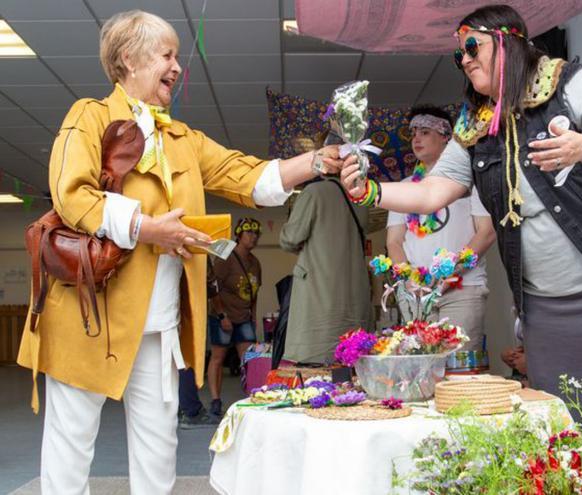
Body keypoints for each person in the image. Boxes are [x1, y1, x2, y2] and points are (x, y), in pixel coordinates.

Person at [17, 10, 354, 494]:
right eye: (167, 54)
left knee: (159, 450)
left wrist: (316, 161)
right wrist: (148, 228)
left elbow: (247, 176)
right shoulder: (88, 116)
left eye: (177, 55)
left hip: (158, 326)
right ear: (129, 59)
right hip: (88, 315)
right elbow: (71, 195)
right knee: (70, 447)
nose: (177, 67)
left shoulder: (182, 139)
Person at [343, 5, 582, 407]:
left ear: (506, 41)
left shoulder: (573, 83)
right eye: (458, 55)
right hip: (545, 304)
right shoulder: (476, 123)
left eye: (471, 47)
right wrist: (369, 191)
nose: (463, 60)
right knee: (557, 421)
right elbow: (432, 193)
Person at [386, 105, 495, 349]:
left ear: (446, 137)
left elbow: (486, 233)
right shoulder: (405, 186)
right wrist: (409, 279)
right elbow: (393, 241)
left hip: (461, 288)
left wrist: (450, 275)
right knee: (421, 370)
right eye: (413, 132)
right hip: (416, 292)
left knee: (459, 371)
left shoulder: (471, 181)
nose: (416, 138)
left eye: (425, 132)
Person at [279, 174, 373, 364]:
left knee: (316, 370)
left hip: (318, 298)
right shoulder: (360, 196)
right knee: (352, 361)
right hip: (354, 294)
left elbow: (290, 238)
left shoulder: (314, 192)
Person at [206, 217, 262, 417]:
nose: (253, 237)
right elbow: (213, 288)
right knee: (218, 358)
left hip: (244, 317)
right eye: (249, 233)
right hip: (223, 315)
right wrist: (222, 315)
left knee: (249, 360)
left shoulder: (255, 262)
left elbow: (254, 293)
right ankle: (215, 400)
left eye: (256, 234)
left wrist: (253, 317)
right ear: (239, 235)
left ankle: (251, 397)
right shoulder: (226, 258)